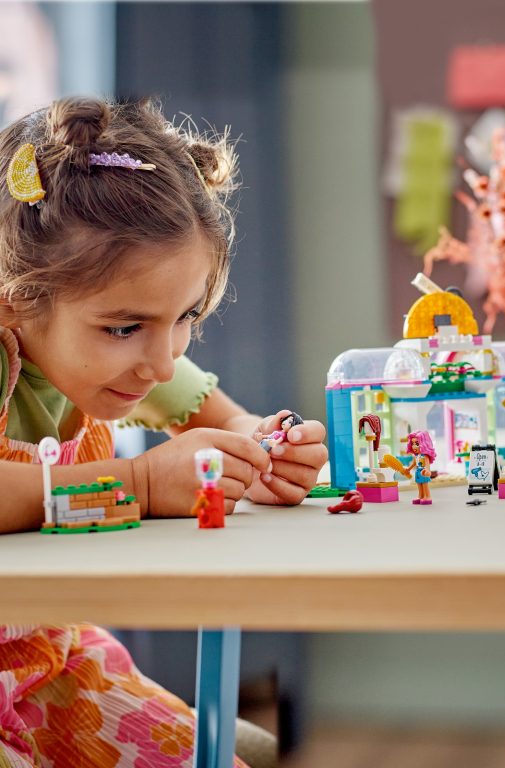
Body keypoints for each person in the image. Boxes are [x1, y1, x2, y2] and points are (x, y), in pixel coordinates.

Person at [0, 97, 329, 767]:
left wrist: (264, 452)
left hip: (55, 668)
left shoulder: (132, 361)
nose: (162, 362)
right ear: (16, 297)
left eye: (185, 317)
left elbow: (230, 422)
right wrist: (141, 484)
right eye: (125, 328)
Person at [404, 429, 436, 505]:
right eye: (412, 443)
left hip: (423, 472)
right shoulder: (416, 455)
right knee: (419, 485)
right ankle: (420, 495)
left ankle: (427, 496)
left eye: (417, 444)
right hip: (418, 472)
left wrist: (427, 471)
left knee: (424, 485)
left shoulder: (424, 456)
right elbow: (414, 463)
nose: (414, 446)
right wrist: (409, 469)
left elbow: (427, 465)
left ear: (423, 444)